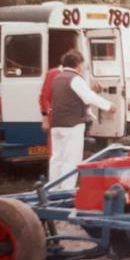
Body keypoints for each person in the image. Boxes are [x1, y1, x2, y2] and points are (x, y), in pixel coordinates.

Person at [49, 50, 116, 190]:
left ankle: (52, 189)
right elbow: (88, 97)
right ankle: (67, 190)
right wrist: (108, 106)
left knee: (56, 159)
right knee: (71, 159)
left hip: (56, 124)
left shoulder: (57, 78)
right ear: (78, 64)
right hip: (72, 124)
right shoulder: (75, 78)